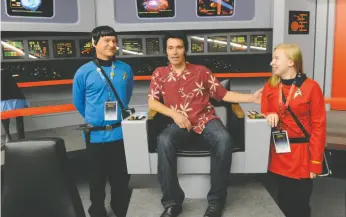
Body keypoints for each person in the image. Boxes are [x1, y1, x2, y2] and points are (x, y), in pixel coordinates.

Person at [147, 31, 262, 217]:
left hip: (206, 120)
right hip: (179, 123)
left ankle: (216, 201)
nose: (174, 52)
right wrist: (174, 114)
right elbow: (153, 102)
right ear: (166, 51)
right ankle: (172, 202)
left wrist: (251, 98)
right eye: (170, 48)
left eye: (178, 47)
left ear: (185, 49)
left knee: (224, 139)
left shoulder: (201, 71)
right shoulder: (159, 74)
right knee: (163, 140)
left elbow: (223, 95)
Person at [73, 25, 134, 217]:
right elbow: (79, 102)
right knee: (96, 179)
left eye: (114, 41)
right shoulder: (84, 72)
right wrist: (96, 120)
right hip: (95, 135)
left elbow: (127, 95)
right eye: (106, 40)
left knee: (120, 178)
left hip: (119, 133)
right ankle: (97, 210)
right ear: (94, 43)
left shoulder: (125, 69)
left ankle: (121, 208)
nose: (112, 44)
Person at [261, 44, 326, 217]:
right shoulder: (271, 86)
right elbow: (264, 110)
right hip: (280, 153)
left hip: (303, 156)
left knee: (301, 205)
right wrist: (269, 114)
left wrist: (316, 162)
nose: (271, 63)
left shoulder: (311, 87)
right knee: (283, 201)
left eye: (276, 59)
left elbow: (319, 126)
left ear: (291, 62)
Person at [1, 68, 27, 150]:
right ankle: (21, 139)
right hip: (17, 97)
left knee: (5, 118)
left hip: (4, 98)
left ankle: (8, 139)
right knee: (19, 119)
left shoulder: (2, 72)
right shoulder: (6, 71)